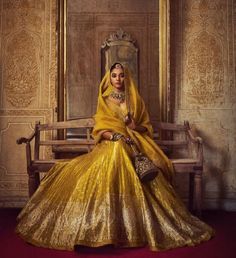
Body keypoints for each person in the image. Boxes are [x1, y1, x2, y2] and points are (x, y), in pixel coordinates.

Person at [16, 63, 214, 251]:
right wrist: (115, 136)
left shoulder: (135, 99)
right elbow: (100, 129)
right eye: (114, 75)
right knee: (115, 152)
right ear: (109, 78)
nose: (118, 79)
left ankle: (130, 224)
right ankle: (105, 225)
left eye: (121, 75)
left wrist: (133, 126)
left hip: (135, 144)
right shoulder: (104, 99)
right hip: (110, 144)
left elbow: (146, 127)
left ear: (126, 77)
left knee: (126, 153)